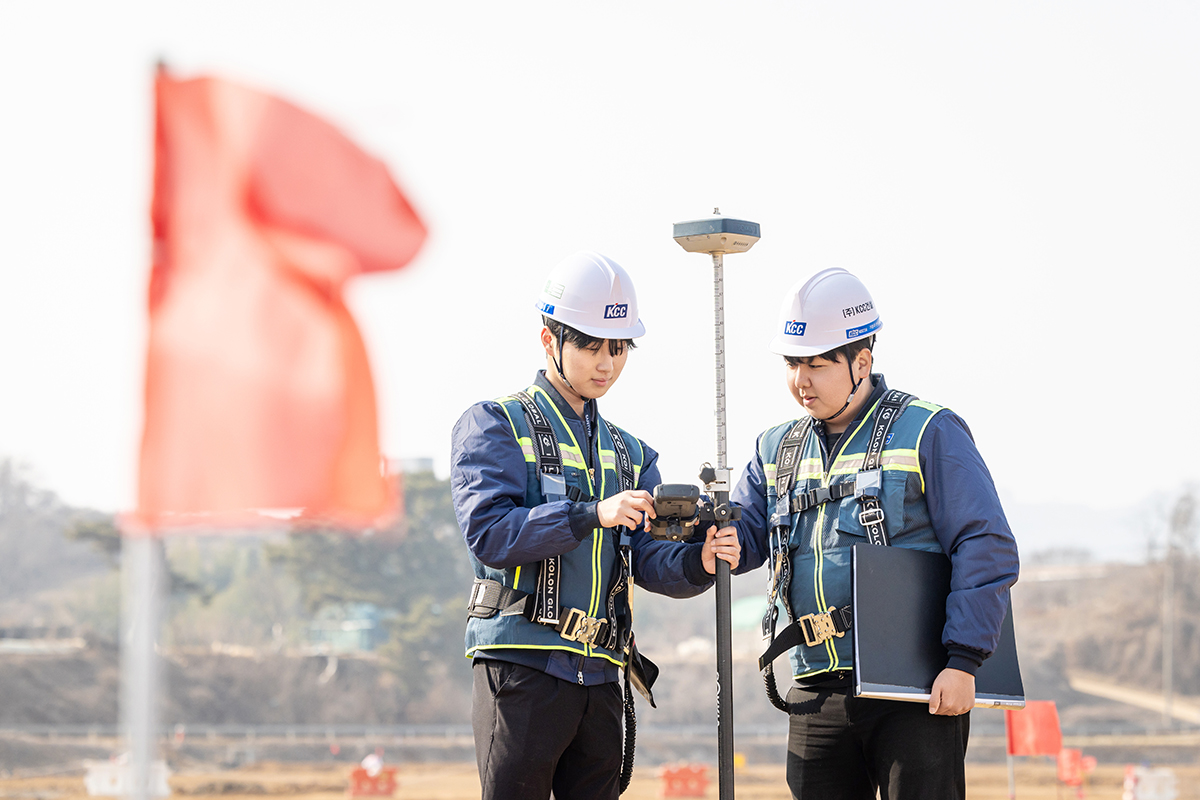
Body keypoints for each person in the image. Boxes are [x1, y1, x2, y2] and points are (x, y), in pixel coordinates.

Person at [450, 251, 741, 800]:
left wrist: (697, 563)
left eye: (618, 347)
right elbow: (490, 533)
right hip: (522, 667)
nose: (605, 362)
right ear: (548, 339)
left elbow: (649, 560)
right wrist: (590, 514)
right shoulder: (494, 424)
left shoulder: (631, 453)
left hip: (604, 675)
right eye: (589, 344)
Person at [726, 267, 1019, 800]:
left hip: (916, 688)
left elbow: (985, 543)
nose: (801, 380)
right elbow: (743, 540)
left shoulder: (929, 430)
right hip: (815, 687)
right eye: (792, 363)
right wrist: (707, 532)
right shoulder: (774, 448)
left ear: (862, 361)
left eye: (817, 363)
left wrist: (963, 662)